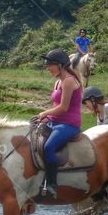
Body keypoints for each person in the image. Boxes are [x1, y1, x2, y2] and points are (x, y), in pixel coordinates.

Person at [35, 49, 83, 200]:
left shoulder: (69, 81)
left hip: (69, 124)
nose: (47, 67)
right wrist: (46, 118)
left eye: (50, 64)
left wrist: (44, 113)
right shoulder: (58, 82)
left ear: (61, 65)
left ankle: (52, 184)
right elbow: (56, 106)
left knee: (49, 147)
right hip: (55, 121)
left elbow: (63, 108)